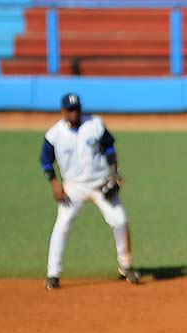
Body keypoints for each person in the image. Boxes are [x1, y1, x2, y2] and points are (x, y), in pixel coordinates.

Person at [40, 93, 140, 290]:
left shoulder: (95, 124)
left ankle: (126, 266)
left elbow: (110, 148)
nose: (75, 112)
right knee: (62, 226)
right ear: (63, 111)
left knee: (120, 221)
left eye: (77, 108)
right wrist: (55, 184)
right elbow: (46, 161)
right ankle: (53, 274)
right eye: (71, 109)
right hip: (73, 187)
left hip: (101, 183)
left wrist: (114, 174)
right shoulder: (54, 134)